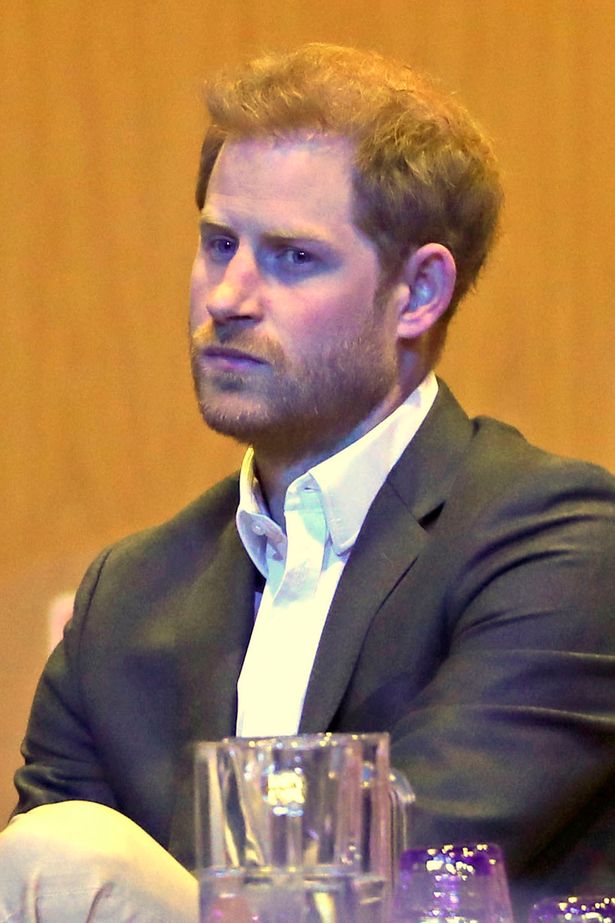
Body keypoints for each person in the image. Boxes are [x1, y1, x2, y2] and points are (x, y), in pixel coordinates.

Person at [3, 42, 615, 923]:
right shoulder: (127, 596)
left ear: (418, 293)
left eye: (292, 256)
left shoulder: (556, 543)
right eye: (219, 243)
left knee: (71, 854)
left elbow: (417, 860)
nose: (228, 295)